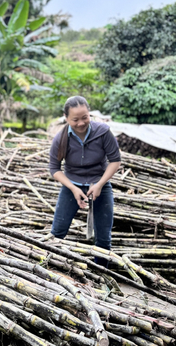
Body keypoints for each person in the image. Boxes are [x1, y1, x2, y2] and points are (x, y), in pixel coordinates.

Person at [48, 96, 121, 267]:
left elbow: (115, 160)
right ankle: (51, 269)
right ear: (66, 118)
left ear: (90, 114)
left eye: (85, 117)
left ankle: (102, 275)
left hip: (100, 184)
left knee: (103, 238)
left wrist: (100, 184)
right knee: (57, 232)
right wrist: (73, 188)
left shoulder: (103, 132)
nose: (81, 123)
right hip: (71, 185)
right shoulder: (60, 139)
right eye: (75, 119)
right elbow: (54, 169)